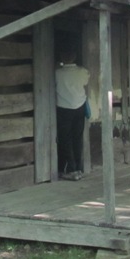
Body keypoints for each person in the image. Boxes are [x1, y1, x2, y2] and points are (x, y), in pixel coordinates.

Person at [55, 48, 89, 180]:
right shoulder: (83, 71)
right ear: (75, 57)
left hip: (64, 109)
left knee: (65, 139)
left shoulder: (57, 73)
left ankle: (71, 169)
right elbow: (86, 82)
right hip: (80, 107)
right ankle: (79, 169)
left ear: (61, 57)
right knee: (77, 138)